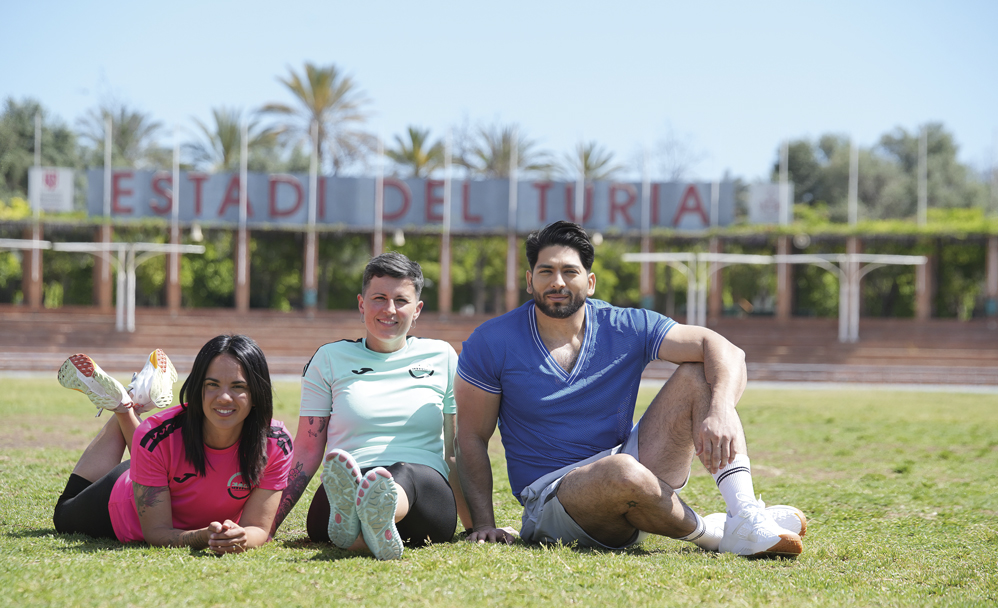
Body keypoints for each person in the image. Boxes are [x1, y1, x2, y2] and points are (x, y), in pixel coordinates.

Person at [455, 221, 806, 557]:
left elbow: (726, 350)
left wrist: (722, 409)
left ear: (590, 282)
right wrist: (484, 523)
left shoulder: (623, 325)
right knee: (621, 470)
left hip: (633, 468)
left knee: (699, 374)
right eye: (546, 271)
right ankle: (716, 534)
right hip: (553, 499)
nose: (557, 282)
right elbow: (471, 437)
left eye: (570, 272)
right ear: (530, 281)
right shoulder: (492, 341)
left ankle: (743, 511)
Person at [270, 252, 472, 560]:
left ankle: (369, 517)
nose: (389, 309)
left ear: (417, 310)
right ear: (362, 304)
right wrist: (265, 525)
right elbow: (308, 449)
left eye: (401, 300)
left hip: (425, 500)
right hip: (343, 486)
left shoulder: (442, 356)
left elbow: (453, 452)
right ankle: (364, 526)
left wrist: (478, 526)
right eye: (379, 298)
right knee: (357, 481)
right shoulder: (329, 359)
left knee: (398, 474)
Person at [52, 335, 293, 554]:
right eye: (212, 385)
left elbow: (258, 529)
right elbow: (156, 532)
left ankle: (126, 404)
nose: (224, 397)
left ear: (256, 395)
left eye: (238, 387)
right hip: (124, 500)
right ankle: (124, 408)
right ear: (198, 389)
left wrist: (241, 537)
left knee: (150, 440)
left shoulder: (276, 444)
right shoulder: (157, 437)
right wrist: (202, 537)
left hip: (152, 463)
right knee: (63, 513)